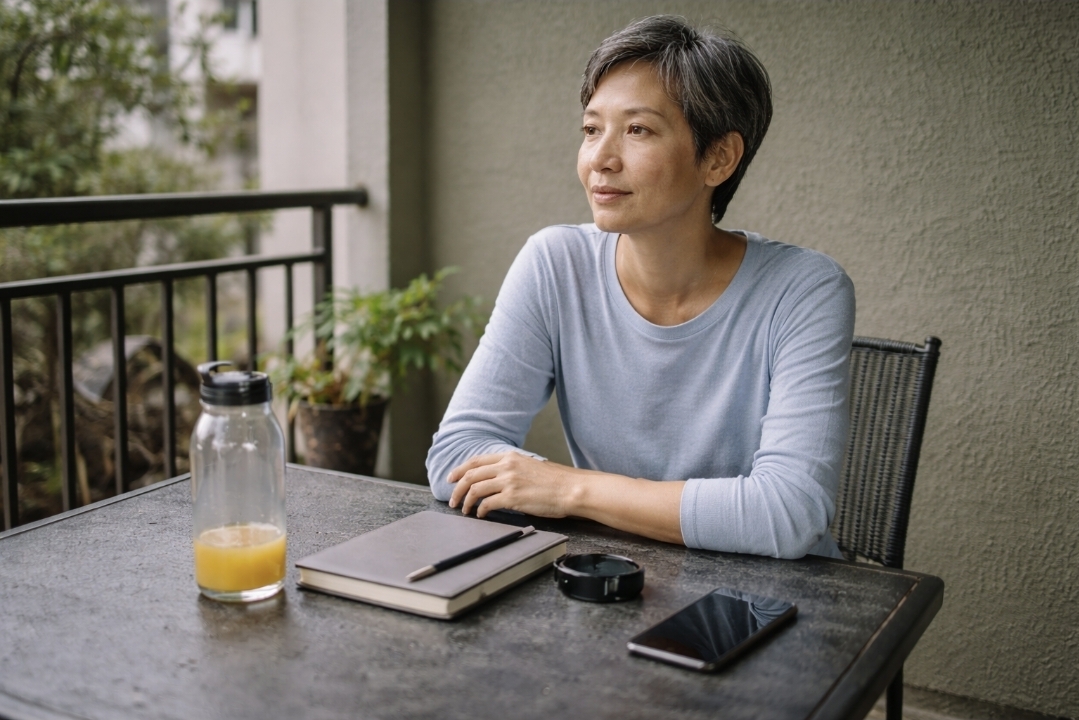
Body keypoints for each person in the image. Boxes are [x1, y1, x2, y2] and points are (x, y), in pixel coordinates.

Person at [425, 15, 854, 559]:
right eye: (590, 129)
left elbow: (788, 514)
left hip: (769, 601)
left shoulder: (806, 290)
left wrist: (569, 490)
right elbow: (456, 455)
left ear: (719, 158)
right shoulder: (555, 263)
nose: (600, 160)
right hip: (612, 582)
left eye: (638, 130)